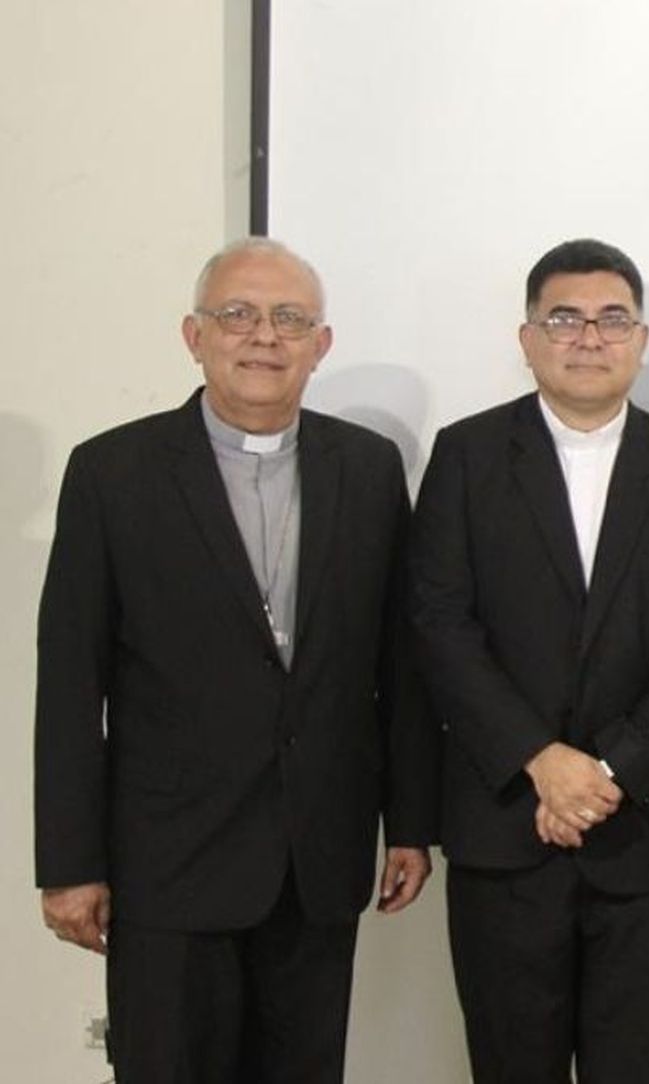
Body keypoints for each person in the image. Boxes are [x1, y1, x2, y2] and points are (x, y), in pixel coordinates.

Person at [34, 237, 439, 1083]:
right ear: (194, 335)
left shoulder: (367, 471)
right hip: (168, 864)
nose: (265, 337)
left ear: (320, 345)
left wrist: (410, 823)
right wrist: (71, 864)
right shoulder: (114, 472)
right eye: (239, 315)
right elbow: (71, 681)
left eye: (290, 319)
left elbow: (399, 665)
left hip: (317, 858)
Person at [411, 238, 649, 1083]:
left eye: (612, 319)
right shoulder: (466, 457)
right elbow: (439, 624)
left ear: (640, 340)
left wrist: (608, 771)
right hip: (504, 830)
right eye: (564, 318)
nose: (588, 337)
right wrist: (540, 759)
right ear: (528, 339)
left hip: (641, 834)